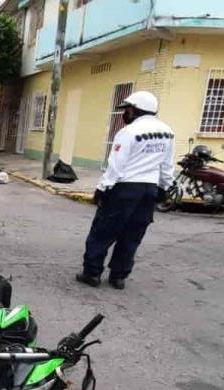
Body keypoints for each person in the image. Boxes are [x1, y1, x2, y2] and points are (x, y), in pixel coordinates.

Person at [76, 91, 175, 290]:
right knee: (133, 234)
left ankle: (92, 273)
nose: (125, 114)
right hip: (149, 189)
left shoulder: (128, 133)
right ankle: (119, 276)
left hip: (124, 188)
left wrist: (102, 188)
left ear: (136, 109)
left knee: (103, 231)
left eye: (127, 109)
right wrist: (165, 187)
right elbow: (166, 164)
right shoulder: (167, 132)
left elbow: (116, 166)